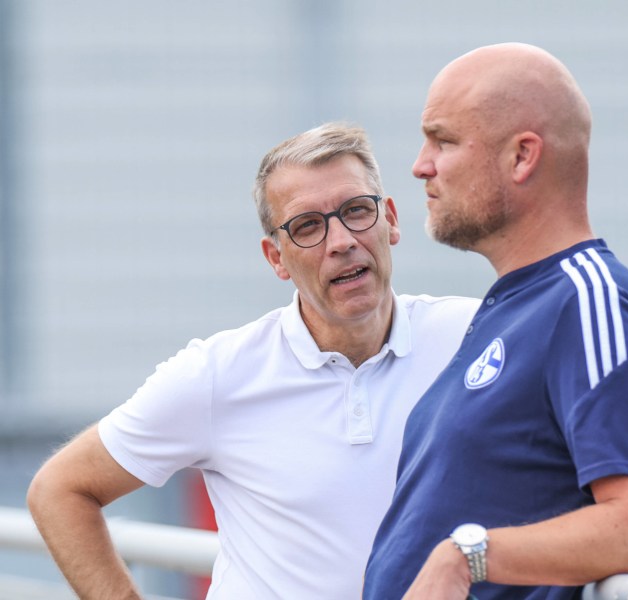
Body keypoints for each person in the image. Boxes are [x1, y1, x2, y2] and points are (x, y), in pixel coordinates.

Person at [26, 122, 480, 599]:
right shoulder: (219, 374)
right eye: (308, 226)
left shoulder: (473, 338)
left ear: (390, 220)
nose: (341, 240)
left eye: (356, 211)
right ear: (276, 258)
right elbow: (59, 490)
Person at [363, 43, 628, 600]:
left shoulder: (591, 299)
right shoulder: (514, 304)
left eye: (443, 140)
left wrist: (467, 556)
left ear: (522, 157)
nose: (421, 165)